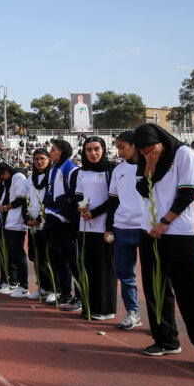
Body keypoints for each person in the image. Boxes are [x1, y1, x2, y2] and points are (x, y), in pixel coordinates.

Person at [134, 123, 194, 375]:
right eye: (143, 151)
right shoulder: (144, 157)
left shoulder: (184, 154)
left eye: (151, 149)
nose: (148, 153)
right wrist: (149, 164)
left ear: (161, 141)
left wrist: (164, 222)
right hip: (149, 232)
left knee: (192, 292)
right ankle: (166, 340)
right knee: (155, 288)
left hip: (178, 233)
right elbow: (142, 189)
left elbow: (187, 194)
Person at [74, 136, 116, 320]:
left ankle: (106, 309)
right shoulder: (81, 172)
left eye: (96, 148)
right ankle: (89, 307)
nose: (93, 153)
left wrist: (95, 213)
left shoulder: (111, 170)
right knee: (88, 267)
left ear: (104, 149)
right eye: (89, 149)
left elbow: (114, 199)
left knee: (105, 269)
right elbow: (78, 194)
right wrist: (80, 206)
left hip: (104, 227)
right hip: (85, 227)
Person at [105, 131, 144, 329]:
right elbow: (113, 201)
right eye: (117, 147)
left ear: (134, 144)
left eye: (122, 147)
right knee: (125, 274)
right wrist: (109, 227)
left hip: (146, 228)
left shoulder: (150, 166)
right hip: (122, 228)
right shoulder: (118, 170)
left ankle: (160, 320)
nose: (119, 151)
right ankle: (132, 313)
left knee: (155, 273)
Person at [44, 139, 79, 307]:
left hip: (68, 223)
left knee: (73, 261)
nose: (50, 152)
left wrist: (62, 215)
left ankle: (79, 297)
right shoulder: (54, 170)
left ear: (62, 151)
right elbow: (51, 195)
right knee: (59, 260)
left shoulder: (71, 170)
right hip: (56, 220)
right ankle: (65, 293)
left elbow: (73, 198)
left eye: (53, 150)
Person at [24, 148, 57, 302]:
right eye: (36, 159)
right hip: (33, 225)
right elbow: (27, 199)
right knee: (35, 256)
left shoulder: (53, 176)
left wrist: (39, 217)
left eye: (42, 158)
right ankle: (42, 287)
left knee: (48, 257)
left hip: (47, 223)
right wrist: (27, 217)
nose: (39, 162)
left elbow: (50, 198)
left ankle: (53, 288)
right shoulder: (31, 178)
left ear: (49, 159)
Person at [0, 162, 29, 296]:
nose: (2, 177)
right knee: (12, 255)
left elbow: (21, 199)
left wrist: (6, 207)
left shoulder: (18, 177)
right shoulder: (9, 180)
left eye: (2, 174)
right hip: (9, 222)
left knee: (18, 255)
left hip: (16, 222)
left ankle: (24, 285)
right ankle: (13, 282)